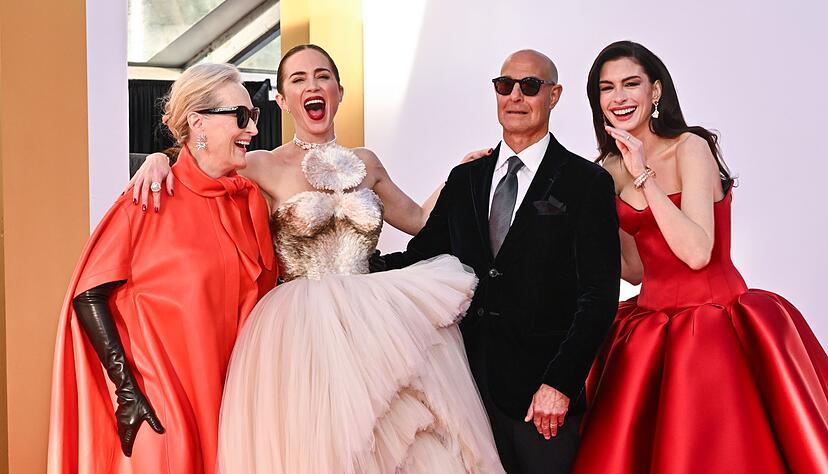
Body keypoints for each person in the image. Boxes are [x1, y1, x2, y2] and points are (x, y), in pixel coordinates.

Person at [131, 44, 504, 473]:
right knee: (322, 446)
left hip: (375, 322)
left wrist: (458, 175)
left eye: (323, 76)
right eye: (298, 79)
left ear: (339, 92)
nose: (313, 85)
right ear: (281, 100)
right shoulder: (260, 164)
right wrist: (157, 159)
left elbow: (419, 219)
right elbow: (200, 167)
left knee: (398, 440)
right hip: (301, 328)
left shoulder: (367, 162)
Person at [571, 40, 828, 474]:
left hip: (715, 324)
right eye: (606, 88)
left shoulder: (689, 146)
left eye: (631, 84)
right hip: (649, 327)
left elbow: (696, 252)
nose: (618, 98)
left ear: (655, 91)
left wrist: (644, 177)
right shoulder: (609, 170)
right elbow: (634, 271)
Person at [374, 49, 621, 474]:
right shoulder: (465, 179)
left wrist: (560, 383)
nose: (515, 97)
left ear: (554, 95)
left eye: (530, 86)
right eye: (505, 86)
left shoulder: (587, 182)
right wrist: (347, 269)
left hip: (541, 398)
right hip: (464, 388)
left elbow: (598, 296)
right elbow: (421, 258)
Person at [47, 63, 277, 473]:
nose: (254, 129)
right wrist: (127, 390)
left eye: (254, 115)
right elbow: (88, 292)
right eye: (241, 116)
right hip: (164, 406)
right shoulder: (149, 196)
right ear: (198, 122)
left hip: (232, 402)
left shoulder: (249, 203)